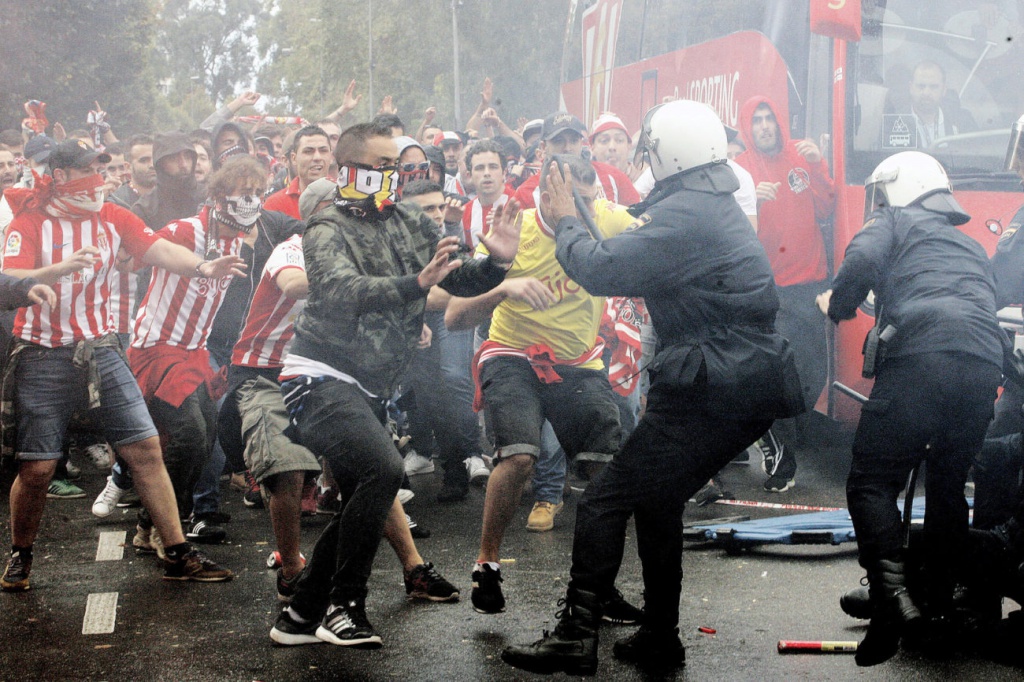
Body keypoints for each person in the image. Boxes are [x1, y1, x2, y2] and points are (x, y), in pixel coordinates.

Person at [501, 100, 804, 675]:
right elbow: (626, 251)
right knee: (658, 500)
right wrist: (585, 214)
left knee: (603, 502)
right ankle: (660, 635)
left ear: (666, 154)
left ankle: (575, 635)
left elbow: (599, 269)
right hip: (736, 379)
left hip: (714, 384)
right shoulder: (706, 202)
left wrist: (566, 216)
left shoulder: (688, 214)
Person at [267, 120, 519, 648]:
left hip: (369, 386)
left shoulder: (407, 218)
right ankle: (344, 605)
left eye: (399, 169)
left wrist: (496, 259)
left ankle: (299, 615)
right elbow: (337, 290)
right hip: (317, 375)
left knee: (369, 492)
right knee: (385, 470)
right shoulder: (324, 226)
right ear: (347, 171)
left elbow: (456, 278)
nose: (394, 178)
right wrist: (415, 283)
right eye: (382, 169)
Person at [0, 140, 243, 591]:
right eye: (87, 171)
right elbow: (8, 278)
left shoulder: (113, 217)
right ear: (59, 175)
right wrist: (55, 271)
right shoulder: (29, 222)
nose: (98, 180)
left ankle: (176, 551)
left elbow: (158, 249)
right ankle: (21, 554)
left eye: (102, 169)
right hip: (41, 354)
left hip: (103, 350)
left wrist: (204, 267)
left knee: (146, 447)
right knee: (37, 469)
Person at [817, 150, 1003, 666]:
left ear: (894, 191)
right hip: (982, 364)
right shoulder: (969, 245)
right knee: (947, 485)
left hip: (921, 356)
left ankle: (892, 601)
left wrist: (838, 303)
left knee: (872, 482)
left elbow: (860, 262)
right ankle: (936, 608)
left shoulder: (893, 219)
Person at [445, 155, 642, 621]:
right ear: (545, 196)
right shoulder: (515, 227)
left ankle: (599, 588)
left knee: (605, 471)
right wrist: (502, 286)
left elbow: (666, 242)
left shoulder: (606, 220)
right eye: (569, 199)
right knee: (519, 456)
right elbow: (455, 317)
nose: (580, 209)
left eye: (589, 199)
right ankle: (487, 565)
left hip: (577, 362)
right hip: (511, 354)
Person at [126, 156, 264, 546]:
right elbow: (136, 253)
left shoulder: (235, 238)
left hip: (193, 353)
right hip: (157, 349)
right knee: (188, 436)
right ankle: (165, 530)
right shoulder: (185, 229)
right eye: (243, 194)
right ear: (219, 197)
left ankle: (149, 523)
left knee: (203, 442)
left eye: (257, 194)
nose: (251, 202)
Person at [736, 95, 835, 492]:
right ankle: (779, 450)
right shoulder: (741, 169)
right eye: (757, 119)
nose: (764, 126)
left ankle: (778, 436)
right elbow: (732, 231)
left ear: (780, 122)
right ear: (749, 126)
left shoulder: (802, 155)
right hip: (768, 290)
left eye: (769, 118)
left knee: (814, 373)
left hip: (810, 285)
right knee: (776, 375)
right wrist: (749, 199)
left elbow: (827, 207)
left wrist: (817, 164)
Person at [263, 126, 332, 219]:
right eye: (308, 151)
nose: (317, 157)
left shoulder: (346, 197)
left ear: (331, 156)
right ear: (293, 158)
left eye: (323, 151)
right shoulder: (275, 204)